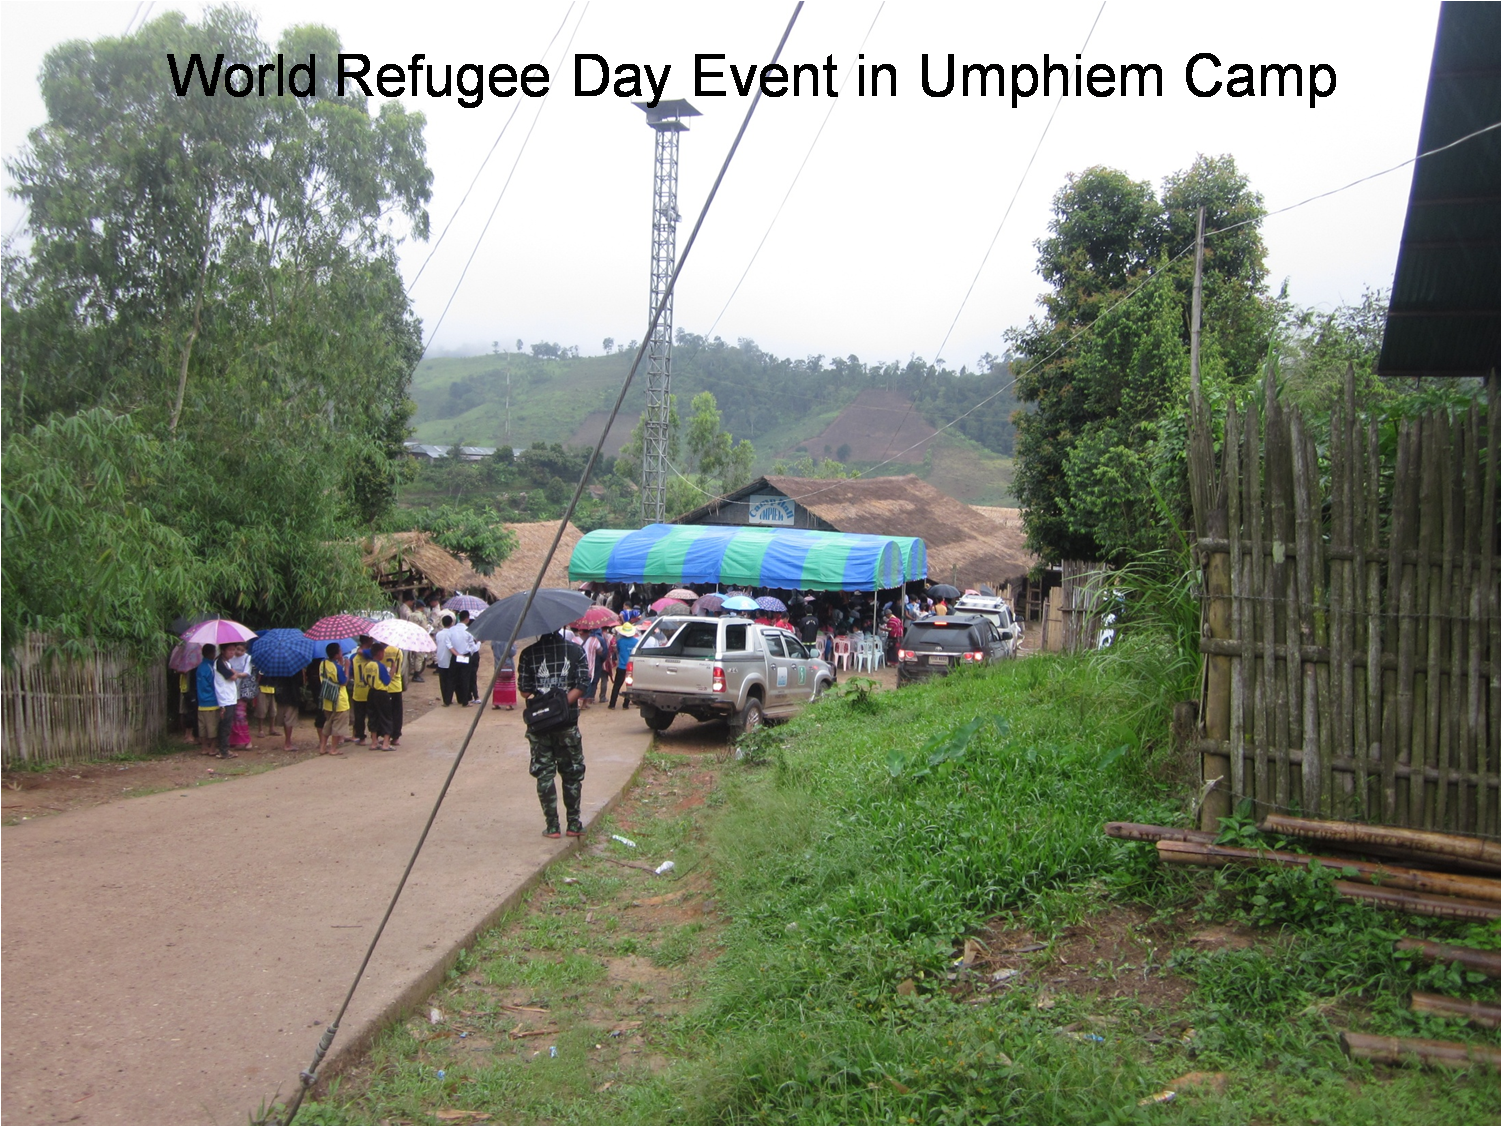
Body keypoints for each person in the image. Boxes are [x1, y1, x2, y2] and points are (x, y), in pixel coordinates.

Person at [517, 630, 588, 838]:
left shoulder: (528, 654)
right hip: (567, 723)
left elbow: (524, 691)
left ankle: (552, 827)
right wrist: (560, 706)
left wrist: (547, 704)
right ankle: (573, 824)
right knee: (572, 773)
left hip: (540, 725)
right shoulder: (576, 651)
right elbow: (582, 684)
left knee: (544, 774)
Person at [195, 643, 239, 759]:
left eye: (234, 650)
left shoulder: (226, 663)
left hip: (229, 698)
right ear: (223, 651)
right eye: (230, 650)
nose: (232, 652)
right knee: (223, 726)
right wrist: (235, 672)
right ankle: (223, 750)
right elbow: (233, 676)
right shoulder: (219, 663)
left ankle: (222, 749)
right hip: (225, 699)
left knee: (226, 725)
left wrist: (234, 672)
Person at [317, 642, 350, 755]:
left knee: (328, 723)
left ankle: (322, 747)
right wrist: (346, 668)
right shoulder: (337, 667)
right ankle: (333, 748)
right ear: (336, 654)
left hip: (327, 698)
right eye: (340, 651)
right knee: (337, 725)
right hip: (339, 699)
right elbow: (343, 682)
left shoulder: (323, 663)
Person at [364, 641, 396, 749]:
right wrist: (392, 672)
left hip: (371, 691)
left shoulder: (367, 665)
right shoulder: (380, 666)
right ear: (379, 653)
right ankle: (386, 743)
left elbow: (365, 680)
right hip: (381, 693)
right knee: (386, 717)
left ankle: (374, 742)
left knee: (373, 717)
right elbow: (386, 681)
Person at [227, 642, 255, 749]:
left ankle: (246, 740)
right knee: (231, 716)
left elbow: (247, 673)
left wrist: (235, 674)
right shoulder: (230, 657)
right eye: (237, 649)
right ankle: (233, 740)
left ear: (245, 651)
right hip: (230, 690)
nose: (239, 652)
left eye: (242, 650)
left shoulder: (247, 658)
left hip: (241, 691)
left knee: (240, 716)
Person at [607, 622, 638, 710]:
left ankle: (612, 704)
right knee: (630, 686)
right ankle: (625, 705)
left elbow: (618, 651)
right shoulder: (636, 641)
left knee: (617, 686)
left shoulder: (620, 641)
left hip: (622, 666)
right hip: (632, 667)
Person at [349, 639, 374, 745]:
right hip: (371, 690)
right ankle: (374, 737)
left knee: (359, 717)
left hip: (358, 690)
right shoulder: (372, 656)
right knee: (373, 716)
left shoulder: (353, 657)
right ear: (369, 641)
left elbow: (351, 674)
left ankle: (361, 738)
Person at [454, 610, 480, 706]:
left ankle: (460, 698)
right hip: (466, 655)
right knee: (466, 678)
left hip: (455, 655)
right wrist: (478, 643)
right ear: (467, 619)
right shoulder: (468, 631)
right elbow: (473, 647)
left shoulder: (452, 630)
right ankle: (466, 699)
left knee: (457, 677)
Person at [433, 613, 459, 705]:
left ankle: (445, 699)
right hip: (450, 659)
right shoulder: (452, 634)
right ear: (451, 623)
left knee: (443, 681)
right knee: (450, 680)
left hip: (441, 659)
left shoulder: (439, 634)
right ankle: (448, 699)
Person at [382, 643, 406, 745]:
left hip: (385, 686)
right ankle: (396, 737)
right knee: (397, 713)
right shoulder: (398, 651)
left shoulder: (383, 651)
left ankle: (386, 736)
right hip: (397, 685)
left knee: (386, 714)